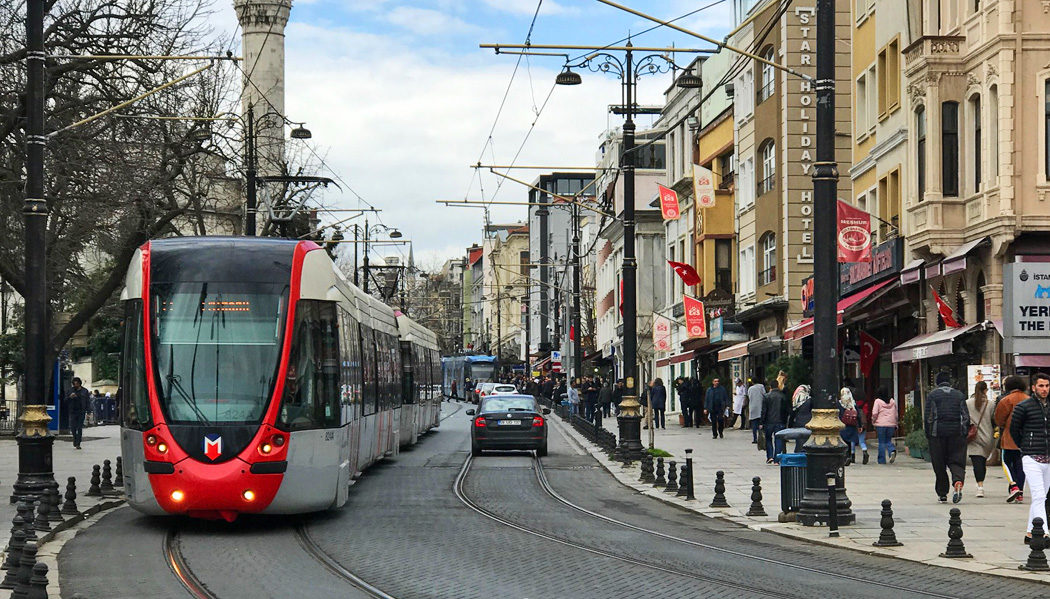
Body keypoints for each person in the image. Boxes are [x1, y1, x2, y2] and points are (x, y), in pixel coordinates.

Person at [1009, 372, 1050, 544]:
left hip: (1048, 458)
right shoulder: (1024, 406)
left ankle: (1029, 533)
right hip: (1031, 457)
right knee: (1039, 495)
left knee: (1042, 496)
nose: (1045, 389)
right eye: (1041, 386)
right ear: (1033, 387)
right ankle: (1043, 533)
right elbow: (1014, 430)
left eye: (1047, 386)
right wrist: (1025, 447)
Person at [925, 371, 970, 504]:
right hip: (957, 434)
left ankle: (942, 493)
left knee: (939, 464)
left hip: (937, 434)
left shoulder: (933, 395)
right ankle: (957, 481)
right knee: (957, 461)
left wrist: (928, 434)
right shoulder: (959, 395)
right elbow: (965, 416)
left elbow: (928, 416)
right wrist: (964, 433)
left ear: (937, 382)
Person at [995, 375, 1029, 503]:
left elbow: (999, 419)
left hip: (1009, 438)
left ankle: (1013, 486)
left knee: (1007, 463)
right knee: (1021, 467)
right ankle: (1020, 492)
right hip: (1026, 440)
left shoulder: (1006, 400)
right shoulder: (1029, 399)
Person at [966, 380, 995, 498]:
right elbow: (994, 421)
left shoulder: (967, 403)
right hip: (988, 437)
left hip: (973, 437)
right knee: (982, 462)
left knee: (977, 463)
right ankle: (981, 483)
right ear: (985, 390)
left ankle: (980, 486)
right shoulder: (991, 404)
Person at [762, 378, 788, 464]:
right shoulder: (783, 396)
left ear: (770, 387)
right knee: (778, 439)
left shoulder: (766, 396)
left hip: (768, 421)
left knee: (768, 439)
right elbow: (786, 410)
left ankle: (770, 457)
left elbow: (764, 410)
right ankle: (777, 459)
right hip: (780, 421)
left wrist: (761, 422)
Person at [870, 387, 898, 464]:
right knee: (888, 440)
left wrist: (873, 421)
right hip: (891, 424)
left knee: (881, 442)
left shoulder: (877, 401)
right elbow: (896, 414)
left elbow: (875, 413)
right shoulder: (892, 401)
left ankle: (881, 460)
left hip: (881, 424)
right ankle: (892, 450)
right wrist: (896, 423)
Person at [838, 387, 862, 465]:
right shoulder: (853, 403)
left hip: (842, 425)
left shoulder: (840, 403)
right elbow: (858, 415)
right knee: (849, 442)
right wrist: (860, 425)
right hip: (851, 425)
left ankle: (844, 457)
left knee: (843, 441)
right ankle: (849, 456)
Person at [787, 384, 813, 453]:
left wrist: (790, 425)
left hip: (798, 423)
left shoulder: (795, 401)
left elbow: (792, 414)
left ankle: (799, 452)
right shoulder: (809, 400)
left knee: (799, 441)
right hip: (808, 423)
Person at [67, 378, 91, 449]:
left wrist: (88, 411)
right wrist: (70, 397)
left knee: (79, 427)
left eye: (77, 383)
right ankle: (75, 438)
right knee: (73, 427)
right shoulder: (70, 390)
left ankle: (78, 443)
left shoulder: (84, 391)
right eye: (74, 383)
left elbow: (87, 401)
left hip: (81, 411)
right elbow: (65, 400)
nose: (75, 385)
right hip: (72, 411)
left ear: (79, 383)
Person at [747, 375, 766, 445]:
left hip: (752, 408)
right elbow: (764, 395)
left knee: (754, 424)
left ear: (752, 382)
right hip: (760, 407)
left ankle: (754, 438)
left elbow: (748, 396)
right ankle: (761, 438)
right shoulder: (761, 387)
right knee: (761, 424)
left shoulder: (750, 389)